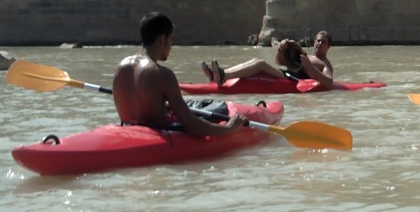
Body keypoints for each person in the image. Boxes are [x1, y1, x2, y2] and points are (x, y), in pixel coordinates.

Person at [112, 12, 247, 136]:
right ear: (162, 39)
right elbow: (193, 127)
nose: (171, 46)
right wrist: (229, 128)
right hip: (160, 134)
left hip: (128, 130)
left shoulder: (120, 67)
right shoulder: (162, 74)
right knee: (219, 110)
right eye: (171, 39)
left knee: (185, 106)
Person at [201, 30, 334, 89]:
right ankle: (219, 73)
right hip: (286, 73)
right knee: (256, 60)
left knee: (260, 64)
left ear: (328, 46)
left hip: (294, 80)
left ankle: (223, 76)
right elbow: (279, 62)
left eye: (323, 42)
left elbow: (328, 83)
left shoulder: (325, 64)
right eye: (318, 41)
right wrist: (281, 50)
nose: (319, 44)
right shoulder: (305, 55)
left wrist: (310, 68)